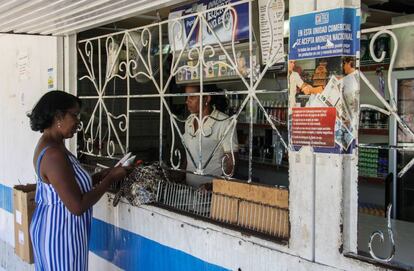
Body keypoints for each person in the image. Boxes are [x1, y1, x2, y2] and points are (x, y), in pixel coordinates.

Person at [27, 91, 130, 271]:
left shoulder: (55, 144)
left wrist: (102, 175)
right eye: (74, 115)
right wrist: (111, 179)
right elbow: (77, 205)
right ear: (58, 116)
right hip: (59, 234)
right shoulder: (53, 154)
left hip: (62, 229)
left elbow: (70, 184)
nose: (78, 123)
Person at [183, 85, 238, 188]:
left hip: (211, 193)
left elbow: (232, 164)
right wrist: (180, 175)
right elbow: (190, 156)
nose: (187, 101)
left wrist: (212, 186)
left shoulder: (224, 122)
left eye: (192, 97)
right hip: (189, 189)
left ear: (206, 98)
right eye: (186, 97)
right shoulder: (189, 121)